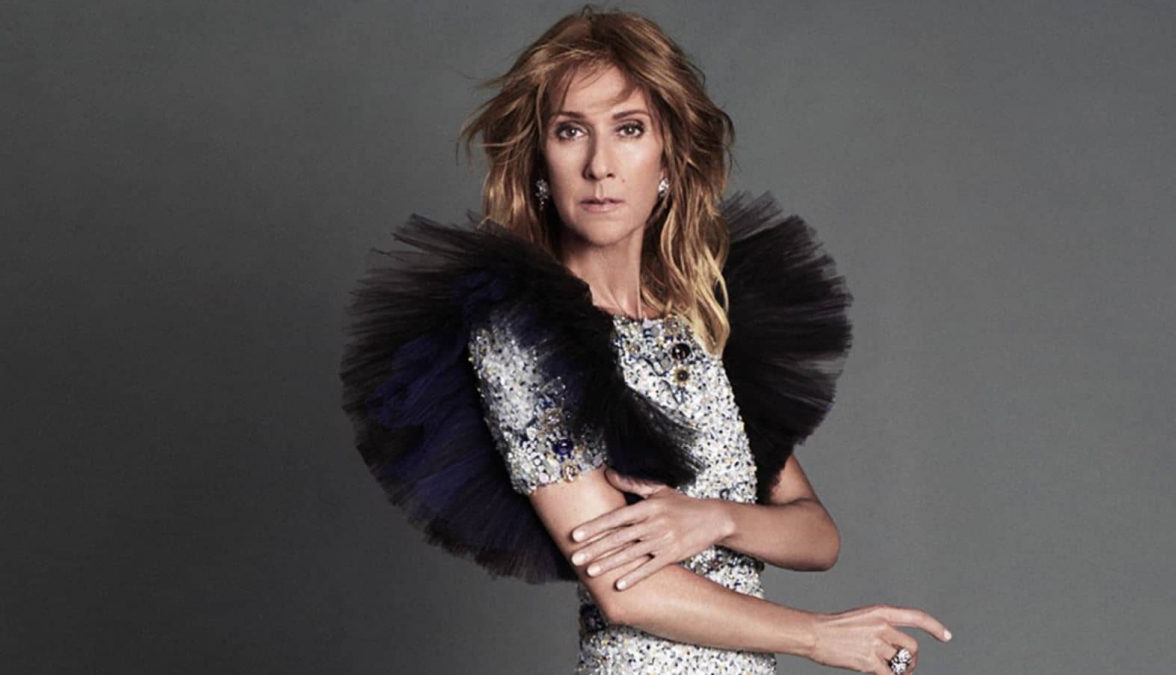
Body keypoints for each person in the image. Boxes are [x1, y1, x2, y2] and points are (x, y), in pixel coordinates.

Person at [339, 6, 951, 674]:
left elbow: (817, 534)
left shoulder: (699, 319)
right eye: (570, 131)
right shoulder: (523, 336)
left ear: (667, 157)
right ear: (540, 162)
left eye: (628, 129)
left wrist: (715, 517)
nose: (600, 165)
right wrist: (817, 636)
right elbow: (624, 590)